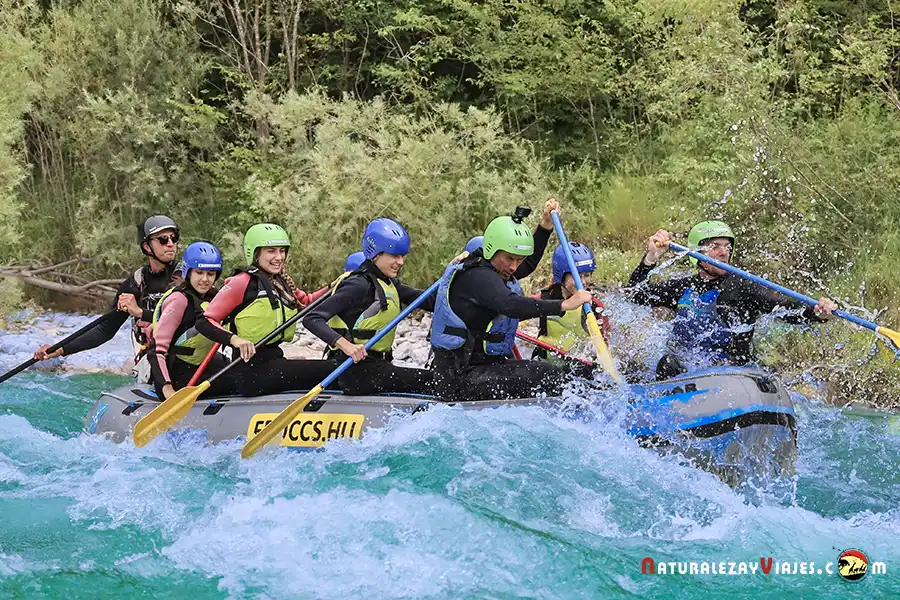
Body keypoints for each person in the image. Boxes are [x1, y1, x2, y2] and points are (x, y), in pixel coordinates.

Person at [627, 220, 837, 379]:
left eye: (727, 247)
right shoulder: (682, 287)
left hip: (731, 376)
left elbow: (783, 307)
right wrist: (651, 257)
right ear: (696, 252)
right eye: (715, 246)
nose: (723, 253)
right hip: (687, 374)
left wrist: (816, 311)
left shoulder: (742, 287)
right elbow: (634, 294)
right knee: (667, 363)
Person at [430, 208, 593, 401]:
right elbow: (510, 304)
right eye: (509, 259)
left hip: (484, 367)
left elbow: (529, 264)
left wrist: (545, 226)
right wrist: (565, 304)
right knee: (547, 375)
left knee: (557, 373)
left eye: (518, 259)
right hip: (460, 379)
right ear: (491, 249)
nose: (514, 267)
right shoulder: (477, 276)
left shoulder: (497, 269)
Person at [195, 223, 336, 396]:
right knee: (331, 369)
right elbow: (204, 321)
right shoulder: (242, 282)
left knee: (328, 367)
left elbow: (306, 302)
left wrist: (333, 286)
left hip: (274, 360)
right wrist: (235, 340)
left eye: (282, 251)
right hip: (251, 371)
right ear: (255, 254)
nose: (279, 257)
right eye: (271, 251)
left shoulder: (280, 281)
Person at [32, 216, 181, 377]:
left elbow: (192, 321)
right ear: (147, 246)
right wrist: (59, 349)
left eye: (174, 238)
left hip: (186, 361)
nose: (171, 244)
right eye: (163, 239)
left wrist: (139, 312)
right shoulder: (135, 284)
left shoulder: (189, 278)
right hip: (154, 365)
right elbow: (104, 330)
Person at [303, 219, 437, 395]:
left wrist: (457, 274)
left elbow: (429, 300)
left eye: (402, 256)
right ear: (376, 254)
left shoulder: (388, 283)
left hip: (379, 367)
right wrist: (345, 345)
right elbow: (312, 318)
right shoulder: (358, 284)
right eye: (395, 256)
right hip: (358, 373)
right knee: (434, 381)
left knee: (435, 379)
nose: (401, 262)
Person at [146, 241, 230, 399]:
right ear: (189, 272)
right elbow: (155, 351)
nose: (205, 279)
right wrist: (167, 387)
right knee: (237, 381)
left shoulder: (213, 298)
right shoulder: (179, 300)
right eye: (199, 273)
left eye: (210, 274)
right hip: (174, 372)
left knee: (241, 373)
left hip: (198, 364)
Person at [532, 242, 611, 373]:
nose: (583, 282)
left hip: (579, 368)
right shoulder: (543, 299)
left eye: (586, 275)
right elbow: (517, 312)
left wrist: (598, 348)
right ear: (561, 276)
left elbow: (606, 342)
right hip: (546, 367)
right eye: (576, 276)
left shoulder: (596, 306)